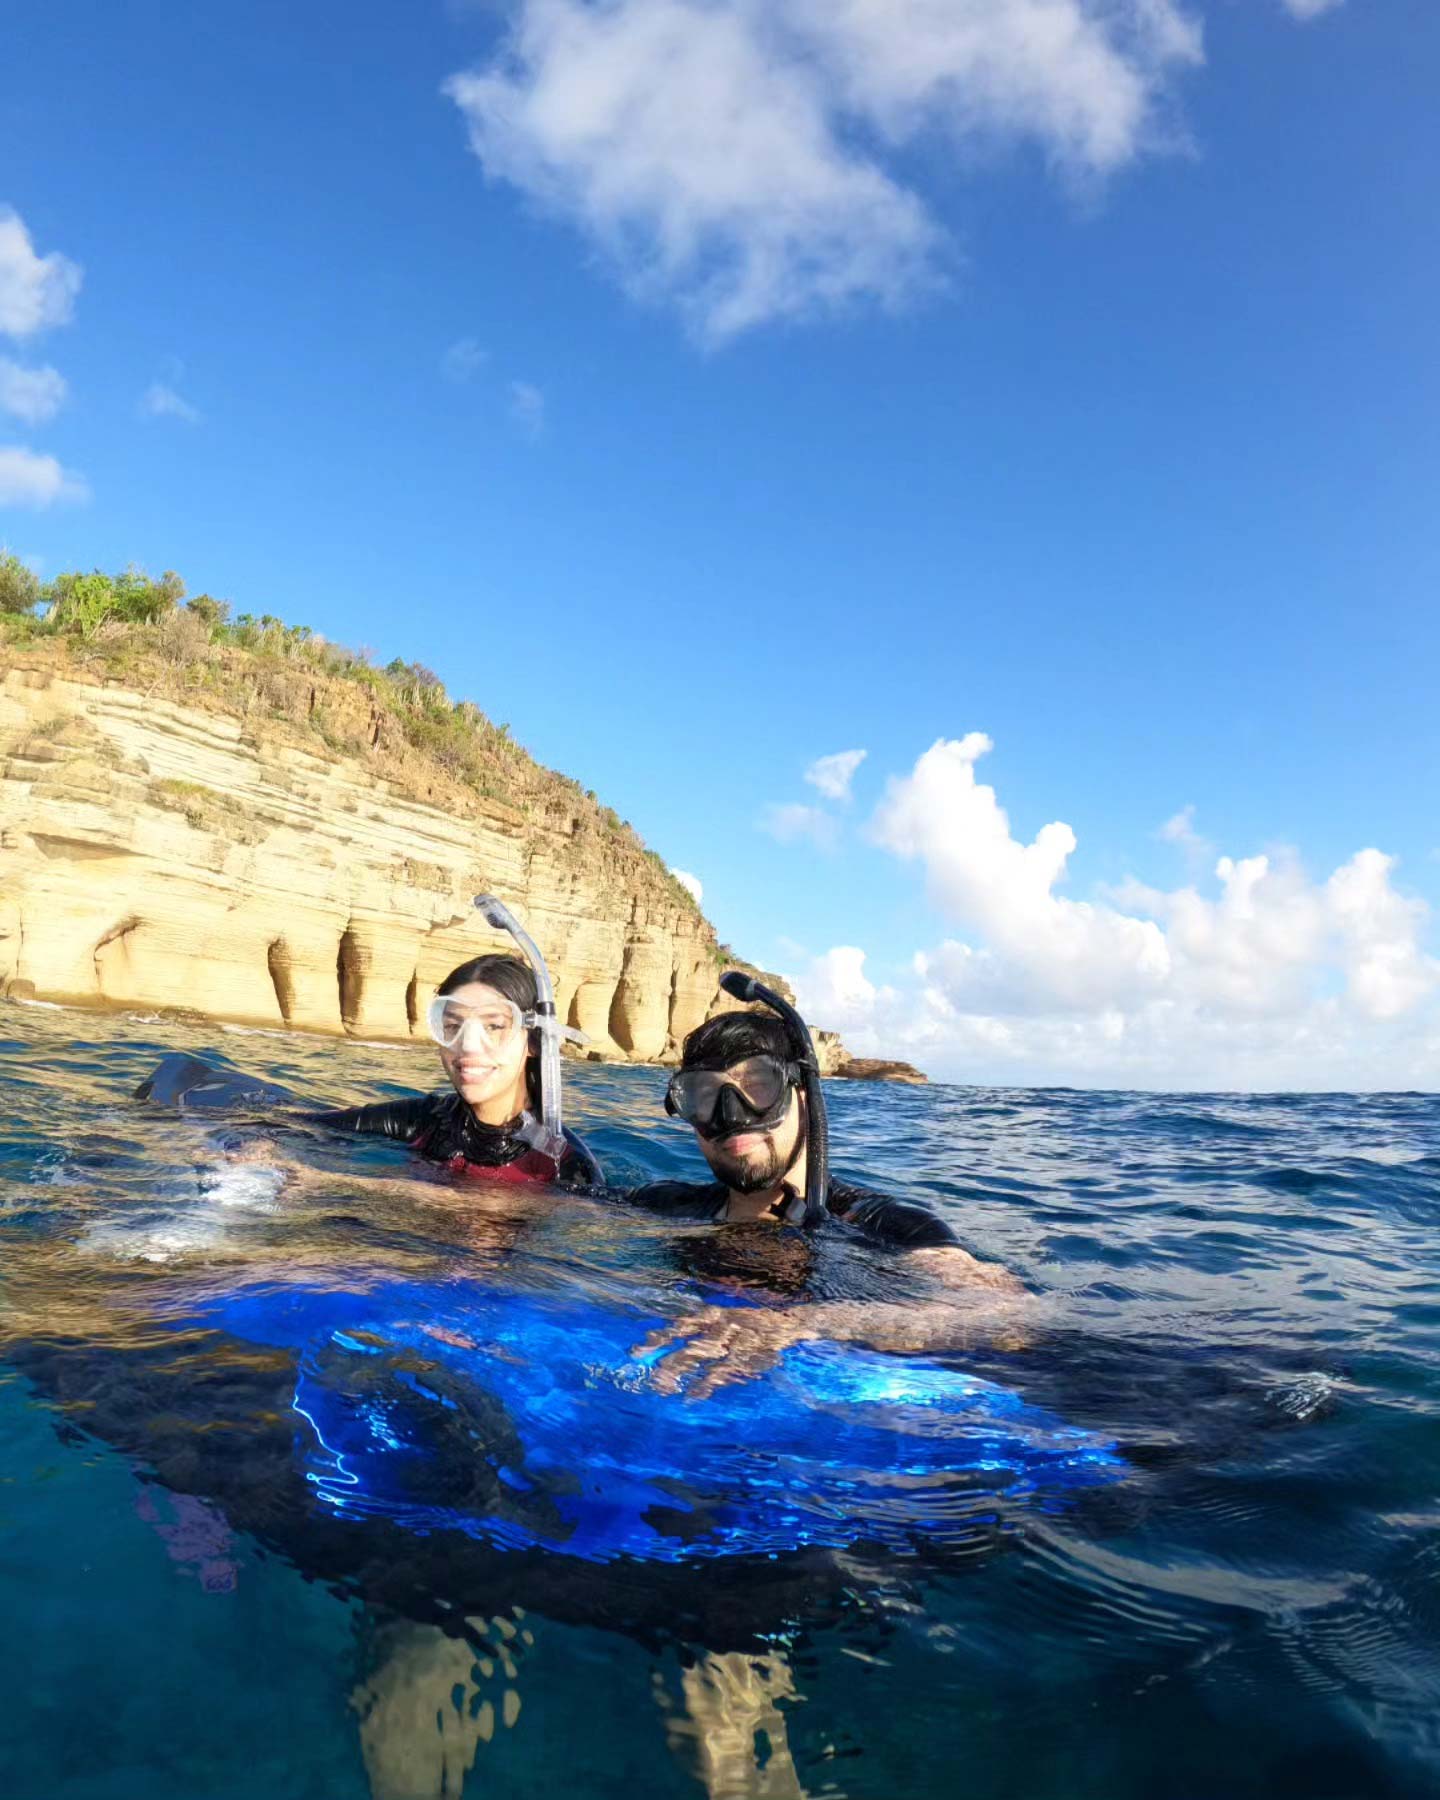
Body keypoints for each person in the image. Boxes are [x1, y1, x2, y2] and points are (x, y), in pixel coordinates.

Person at [625, 994, 1029, 1395]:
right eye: (705, 1096)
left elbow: (1006, 1316)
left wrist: (801, 1323)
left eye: (758, 1086)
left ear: (803, 1097)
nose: (732, 1116)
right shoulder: (665, 1205)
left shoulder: (879, 1224)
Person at [313, 949, 601, 1190]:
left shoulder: (566, 1164)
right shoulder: (422, 1121)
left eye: (495, 1026)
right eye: (452, 1026)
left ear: (535, 1042)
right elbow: (298, 1127)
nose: (469, 1045)